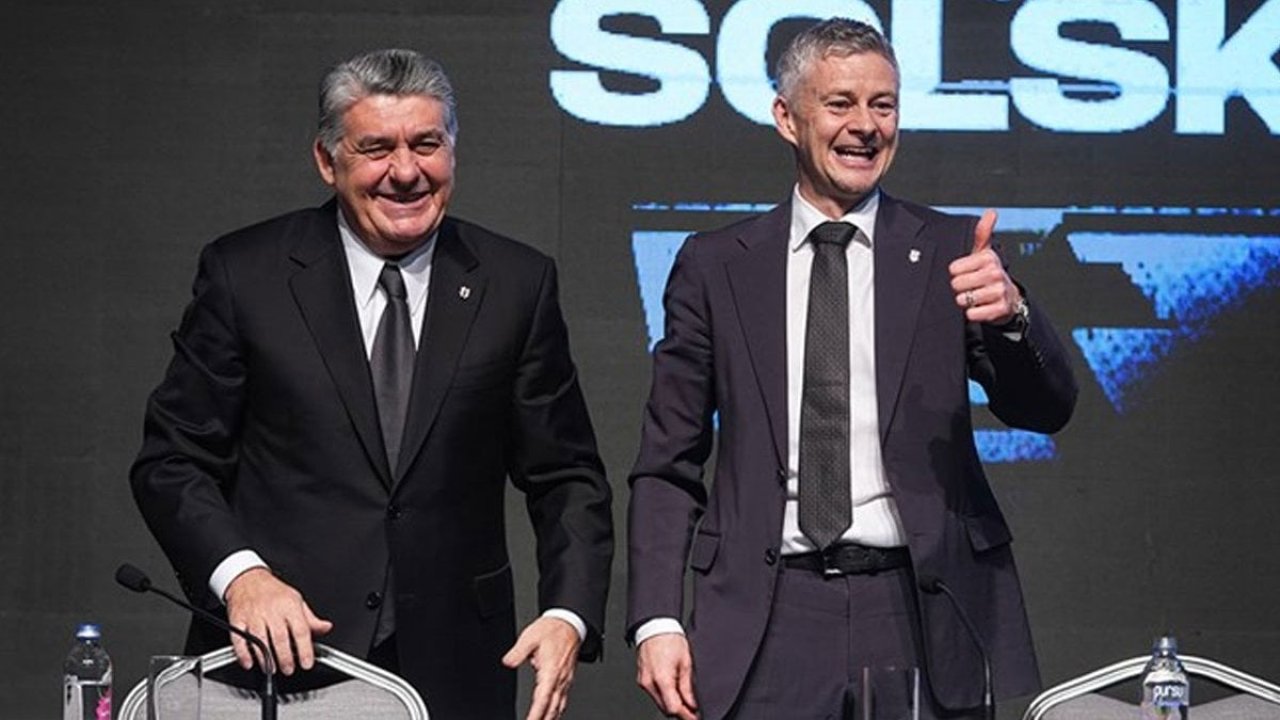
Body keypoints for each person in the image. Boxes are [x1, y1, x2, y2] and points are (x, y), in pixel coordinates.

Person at [130, 48, 613, 720]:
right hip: (277, 665)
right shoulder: (247, 275)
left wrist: (567, 614)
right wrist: (242, 577)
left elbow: (567, 476)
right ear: (327, 161)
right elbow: (173, 460)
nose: (406, 172)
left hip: (456, 669)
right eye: (377, 148)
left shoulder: (516, 284)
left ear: (453, 150)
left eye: (427, 144)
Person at [627, 18, 1077, 720]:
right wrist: (657, 618)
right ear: (787, 118)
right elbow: (667, 462)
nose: (865, 126)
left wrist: (1014, 315)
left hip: (919, 609)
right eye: (840, 103)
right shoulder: (716, 266)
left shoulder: (954, 251)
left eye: (883, 105)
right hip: (767, 615)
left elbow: (1044, 409)